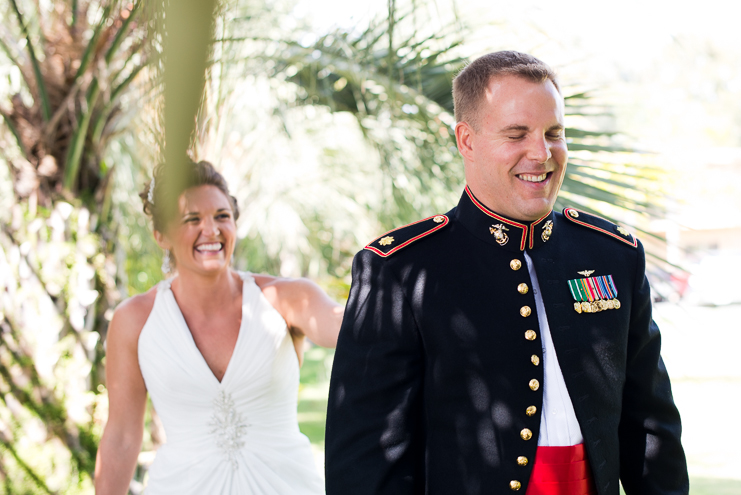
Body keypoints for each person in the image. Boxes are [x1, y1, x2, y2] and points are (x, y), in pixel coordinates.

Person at [325, 51, 688, 495]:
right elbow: (365, 466)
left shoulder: (613, 254)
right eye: (517, 134)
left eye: (554, 133)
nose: (541, 153)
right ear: (467, 140)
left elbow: (651, 428)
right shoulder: (399, 271)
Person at [95, 160, 342, 494]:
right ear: (161, 235)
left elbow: (351, 328)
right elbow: (122, 436)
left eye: (222, 216)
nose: (210, 230)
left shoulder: (285, 299)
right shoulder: (135, 321)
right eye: (192, 219)